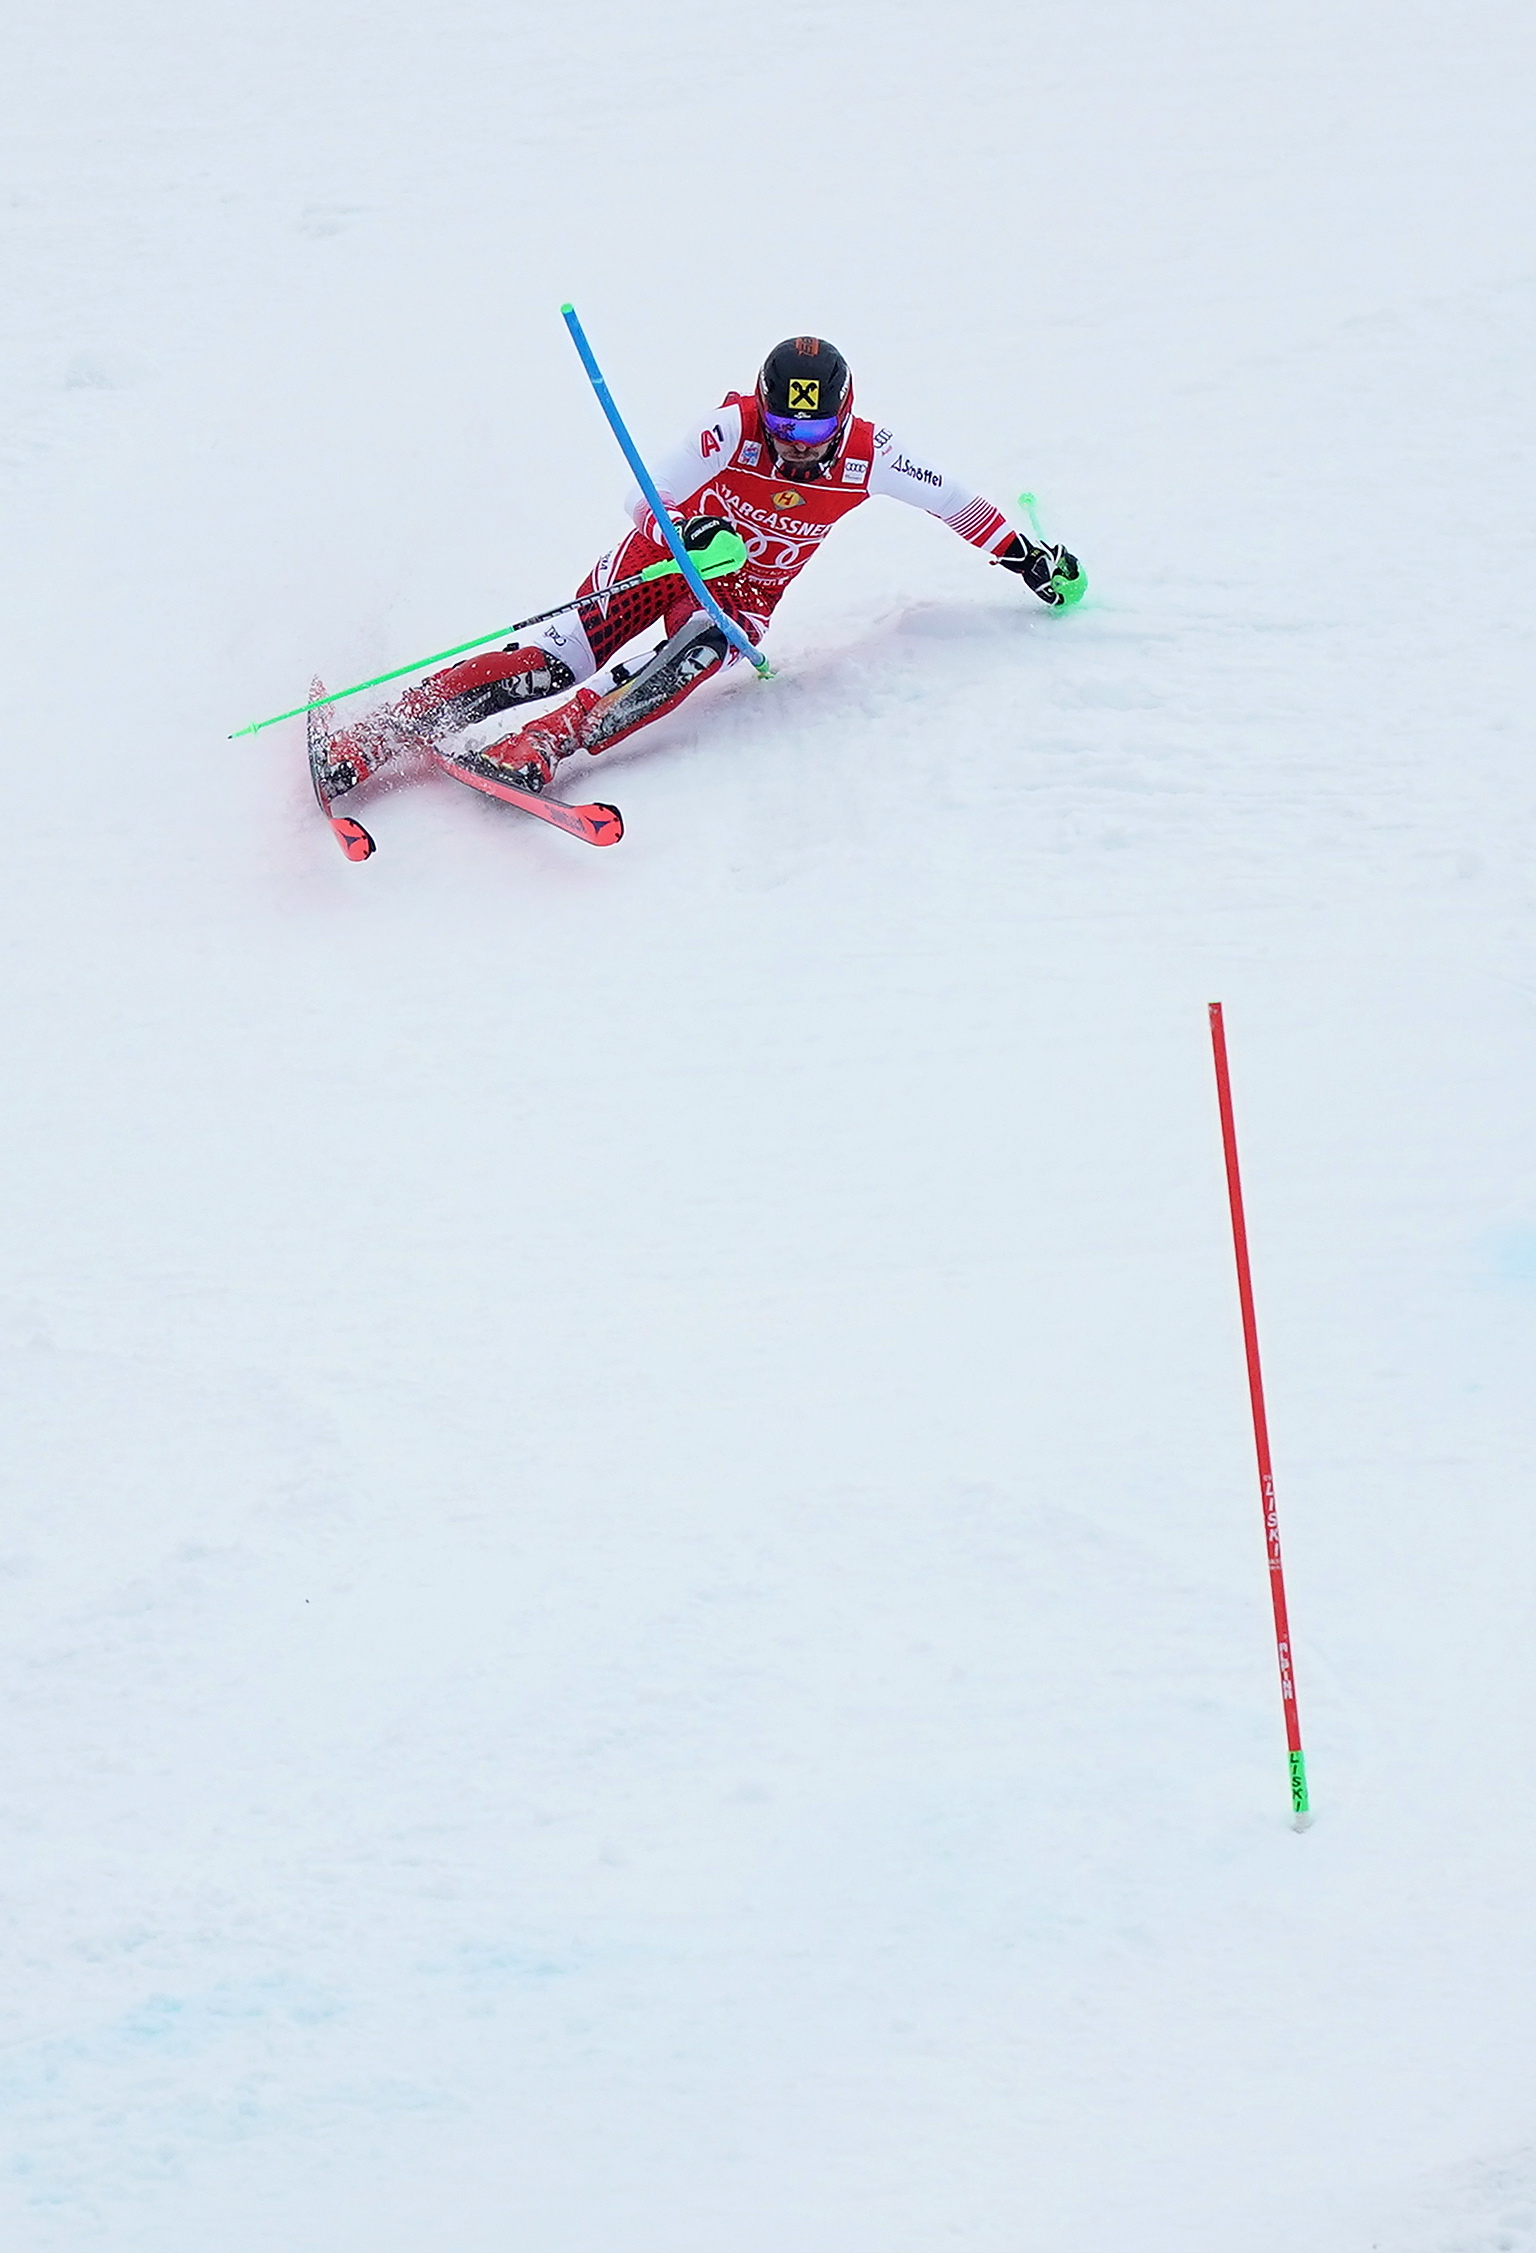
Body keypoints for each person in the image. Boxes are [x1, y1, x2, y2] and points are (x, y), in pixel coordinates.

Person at [321, 337, 1083, 797]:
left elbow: (956, 505)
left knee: (697, 651)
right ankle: (376, 734)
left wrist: (1029, 561)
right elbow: (639, 497)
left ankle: (542, 746)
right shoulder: (731, 429)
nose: (797, 444)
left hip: (737, 598)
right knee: (549, 662)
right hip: (659, 563)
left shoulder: (870, 456)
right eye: (783, 423)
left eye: (814, 428)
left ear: (843, 417)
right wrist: (688, 527)